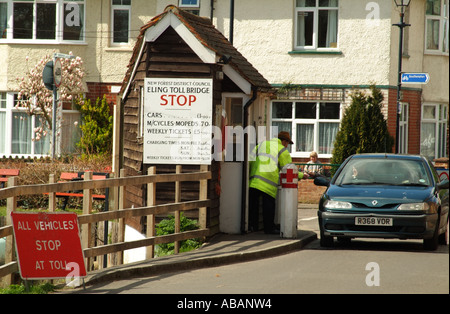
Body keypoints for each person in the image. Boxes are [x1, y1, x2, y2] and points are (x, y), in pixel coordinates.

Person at [248, 131, 304, 234]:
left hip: (254, 181)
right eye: (287, 143)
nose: (287, 146)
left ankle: (252, 227)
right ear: (284, 141)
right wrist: (302, 175)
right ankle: (269, 229)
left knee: (253, 206)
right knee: (268, 207)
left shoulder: (261, 145)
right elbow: (289, 169)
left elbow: (250, 161)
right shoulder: (282, 150)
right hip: (268, 183)